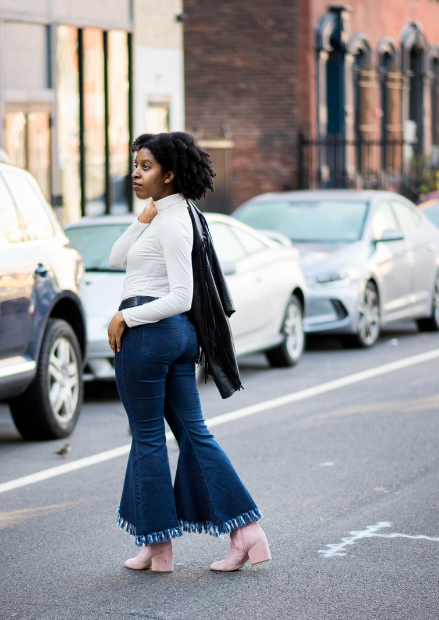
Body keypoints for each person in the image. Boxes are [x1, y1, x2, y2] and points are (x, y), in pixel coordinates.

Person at [107, 132, 271, 573]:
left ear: (171, 174)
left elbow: (182, 295)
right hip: (175, 339)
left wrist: (126, 319)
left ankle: (159, 548)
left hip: (150, 333)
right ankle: (246, 533)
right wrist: (143, 217)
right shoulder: (167, 216)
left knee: (146, 438)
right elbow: (116, 254)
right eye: (135, 165)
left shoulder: (177, 223)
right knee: (194, 435)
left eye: (146, 167)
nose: (136, 173)